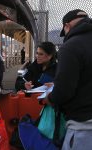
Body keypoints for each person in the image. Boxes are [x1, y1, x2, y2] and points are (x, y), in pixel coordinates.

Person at [42, 9, 92, 150]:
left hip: (84, 127)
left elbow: (64, 91)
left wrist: (50, 98)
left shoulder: (70, 46)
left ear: (67, 26)